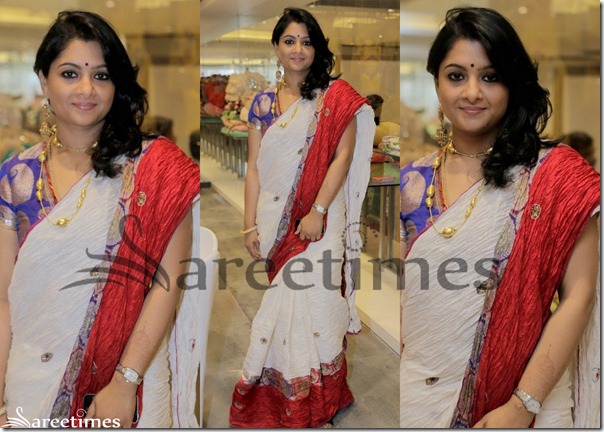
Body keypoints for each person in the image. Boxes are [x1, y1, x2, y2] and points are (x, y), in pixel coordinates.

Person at [400, 7, 599, 428]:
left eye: (490, 77)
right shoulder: (413, 180)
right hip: (423, 395)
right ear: (436, 82)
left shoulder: (555, 176)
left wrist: (521, 406)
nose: (472, 92)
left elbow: (579, 297)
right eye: (457, 76)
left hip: (526, 402)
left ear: (512, 83)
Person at [0, 11, 200, 428]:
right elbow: (3, 299)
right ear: (43, 80)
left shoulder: (157, 168)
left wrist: (125, 383)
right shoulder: (16, 177)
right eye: (70, 73)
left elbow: (167, 284)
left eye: (102, 75)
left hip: (128, 383)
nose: (87, 89)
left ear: (117, 85)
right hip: (32, 379)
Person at [229, 7, 375, 428]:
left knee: (318, 302)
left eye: (307, 42)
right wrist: (250, 223)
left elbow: (342, 157)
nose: (298, 49)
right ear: (276, 47)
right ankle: (286, 394)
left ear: (317, 49)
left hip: (322, 219)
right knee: (284, 304)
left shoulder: (336, 98)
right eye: (290, 41)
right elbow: (255, 167)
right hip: (276, 216)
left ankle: (321, 398)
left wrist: (318, 212)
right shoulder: (261, 103)